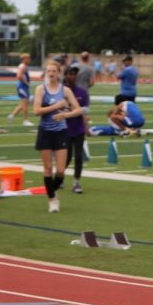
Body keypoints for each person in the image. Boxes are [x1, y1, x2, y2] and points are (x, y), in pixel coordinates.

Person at [33, 60, 83, 213]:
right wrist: (56, 106)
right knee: (48, 168)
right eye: (48, 71)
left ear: (59, 73)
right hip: (45, 132)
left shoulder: (65, 90)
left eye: (54, 71)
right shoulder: (40, 89)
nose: (51, 73)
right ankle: (52, 200)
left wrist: (65, 115)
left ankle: (51, 191)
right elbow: (36, 111)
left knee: (60, 170)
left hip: (61, 132)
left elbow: (78, 110)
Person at [62, 65, 90, 194]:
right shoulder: (60, 92)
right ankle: (60, 177)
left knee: (78, 156)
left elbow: (86, 110)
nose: (73, 76)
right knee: (66, 157)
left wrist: (73, 110)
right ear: (65, 76)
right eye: (70, 74)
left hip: (78, 129)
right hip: (65, 129)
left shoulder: (82, 92)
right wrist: (74, 110)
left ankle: (76, 182)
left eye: (74, 74)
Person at [7, 53, 33, 126]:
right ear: (24, 59)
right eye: (28, 58)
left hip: (24, 87)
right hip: (22, 86)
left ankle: (12, 115)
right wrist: (26, 83)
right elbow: (18, 76)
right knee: (25, 104)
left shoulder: (24, 66)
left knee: (24, 103)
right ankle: (25, 121)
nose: (29, 60)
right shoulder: (22, 66)